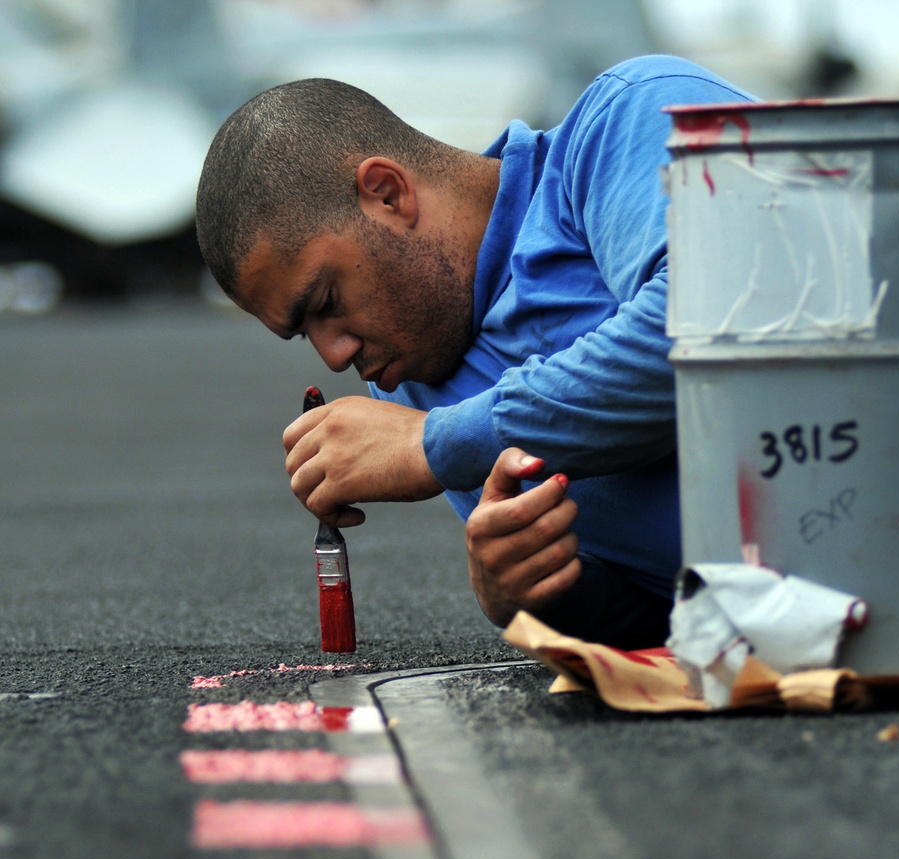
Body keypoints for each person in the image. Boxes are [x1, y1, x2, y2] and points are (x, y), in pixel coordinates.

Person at [195, 55, 751, 646]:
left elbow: (715, 326)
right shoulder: (419, 382)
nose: (334, 357)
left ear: (387, 194)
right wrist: (534, 598)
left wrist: (432, 444)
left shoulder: (632, 116)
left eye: (327, 300)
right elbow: (666, 627)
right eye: (304, 333)